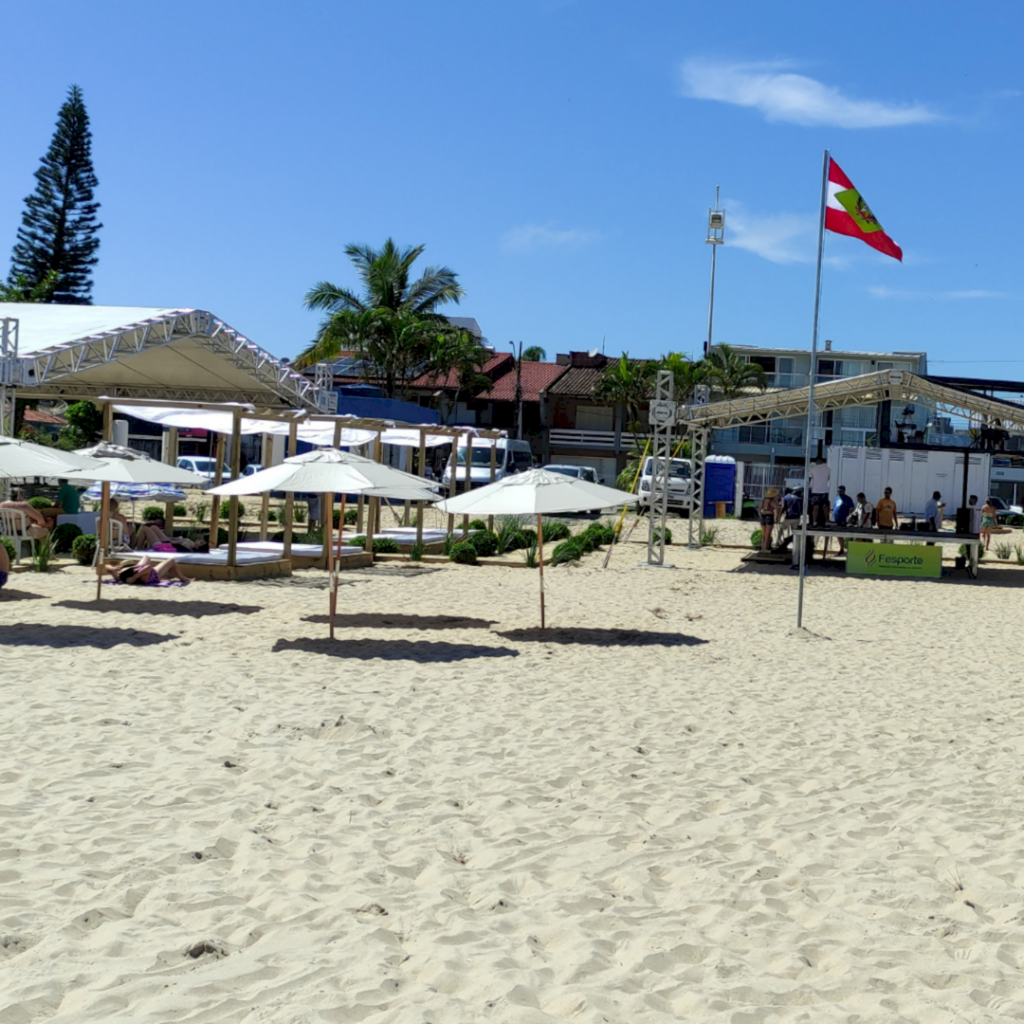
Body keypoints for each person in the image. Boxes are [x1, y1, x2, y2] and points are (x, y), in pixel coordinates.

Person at [99, 554, 191, 586]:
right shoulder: (133, 574)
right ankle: (183, 578)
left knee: (146, 557)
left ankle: (176, 574)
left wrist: (112, 568)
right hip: (153, 575)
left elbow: (106, 567)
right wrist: (134, 578)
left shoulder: (121, 576)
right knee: (171, 561)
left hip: (144, 572)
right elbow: (148, 568)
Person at [829, 485, 856, 554]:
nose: (839, 492)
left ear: (844, 491)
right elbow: (834, 506)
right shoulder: (836, 498)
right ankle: (841, 549)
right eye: (838, 491)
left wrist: (850, 517)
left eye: (841, 491)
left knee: (847, 535)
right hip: (836, 519)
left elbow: (852, 508)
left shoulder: (848, 499)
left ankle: (849, 550)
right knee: (838, 535)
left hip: (844, 519)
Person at [808, 458, 830, 528]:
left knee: (815, 507)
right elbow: (828, 478)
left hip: (816, 490)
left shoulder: (813, 469)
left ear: (816, 462)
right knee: (825, 506)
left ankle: (815, 521)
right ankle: (826, 521)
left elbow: (810, 478)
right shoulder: (827, 469)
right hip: (825, 490)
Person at [758, 487, 780, 551]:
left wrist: (760, 516)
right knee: (768, 534)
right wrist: (777, 518)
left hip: (763, 516)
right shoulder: (772, 501)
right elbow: (777, 509)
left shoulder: (763, 500)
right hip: (769, 516)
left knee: (764, 534)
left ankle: (763, 548)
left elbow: (759, 509)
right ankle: (765, 548)